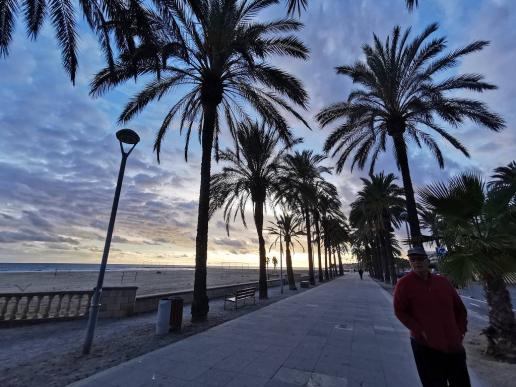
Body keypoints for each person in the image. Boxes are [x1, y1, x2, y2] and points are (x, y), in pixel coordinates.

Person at [393, 247, 470, 387]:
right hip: (425, 346)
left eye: (420, 259)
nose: (417, 262)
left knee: (461, 383)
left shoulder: (442, 282)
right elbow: (400, 311)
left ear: (428, 261)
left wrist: (461, 331)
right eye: (413, 260)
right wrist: (420, 331)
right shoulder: (404, 284)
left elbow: (460, 309)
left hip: (454, 345)